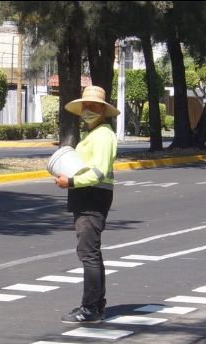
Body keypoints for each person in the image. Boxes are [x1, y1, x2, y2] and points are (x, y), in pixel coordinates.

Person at [54, 86, 119, 324]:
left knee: (88, 253)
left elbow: (99, 172)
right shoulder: (93, 133)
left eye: (93, 106)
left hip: (93, 195)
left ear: (103, 109)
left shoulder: (102, 135)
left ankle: (91, 308)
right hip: (86, 195)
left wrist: (70, 181)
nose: (88, 110)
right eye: (86, 106)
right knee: (90, 253)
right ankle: (95, 304)